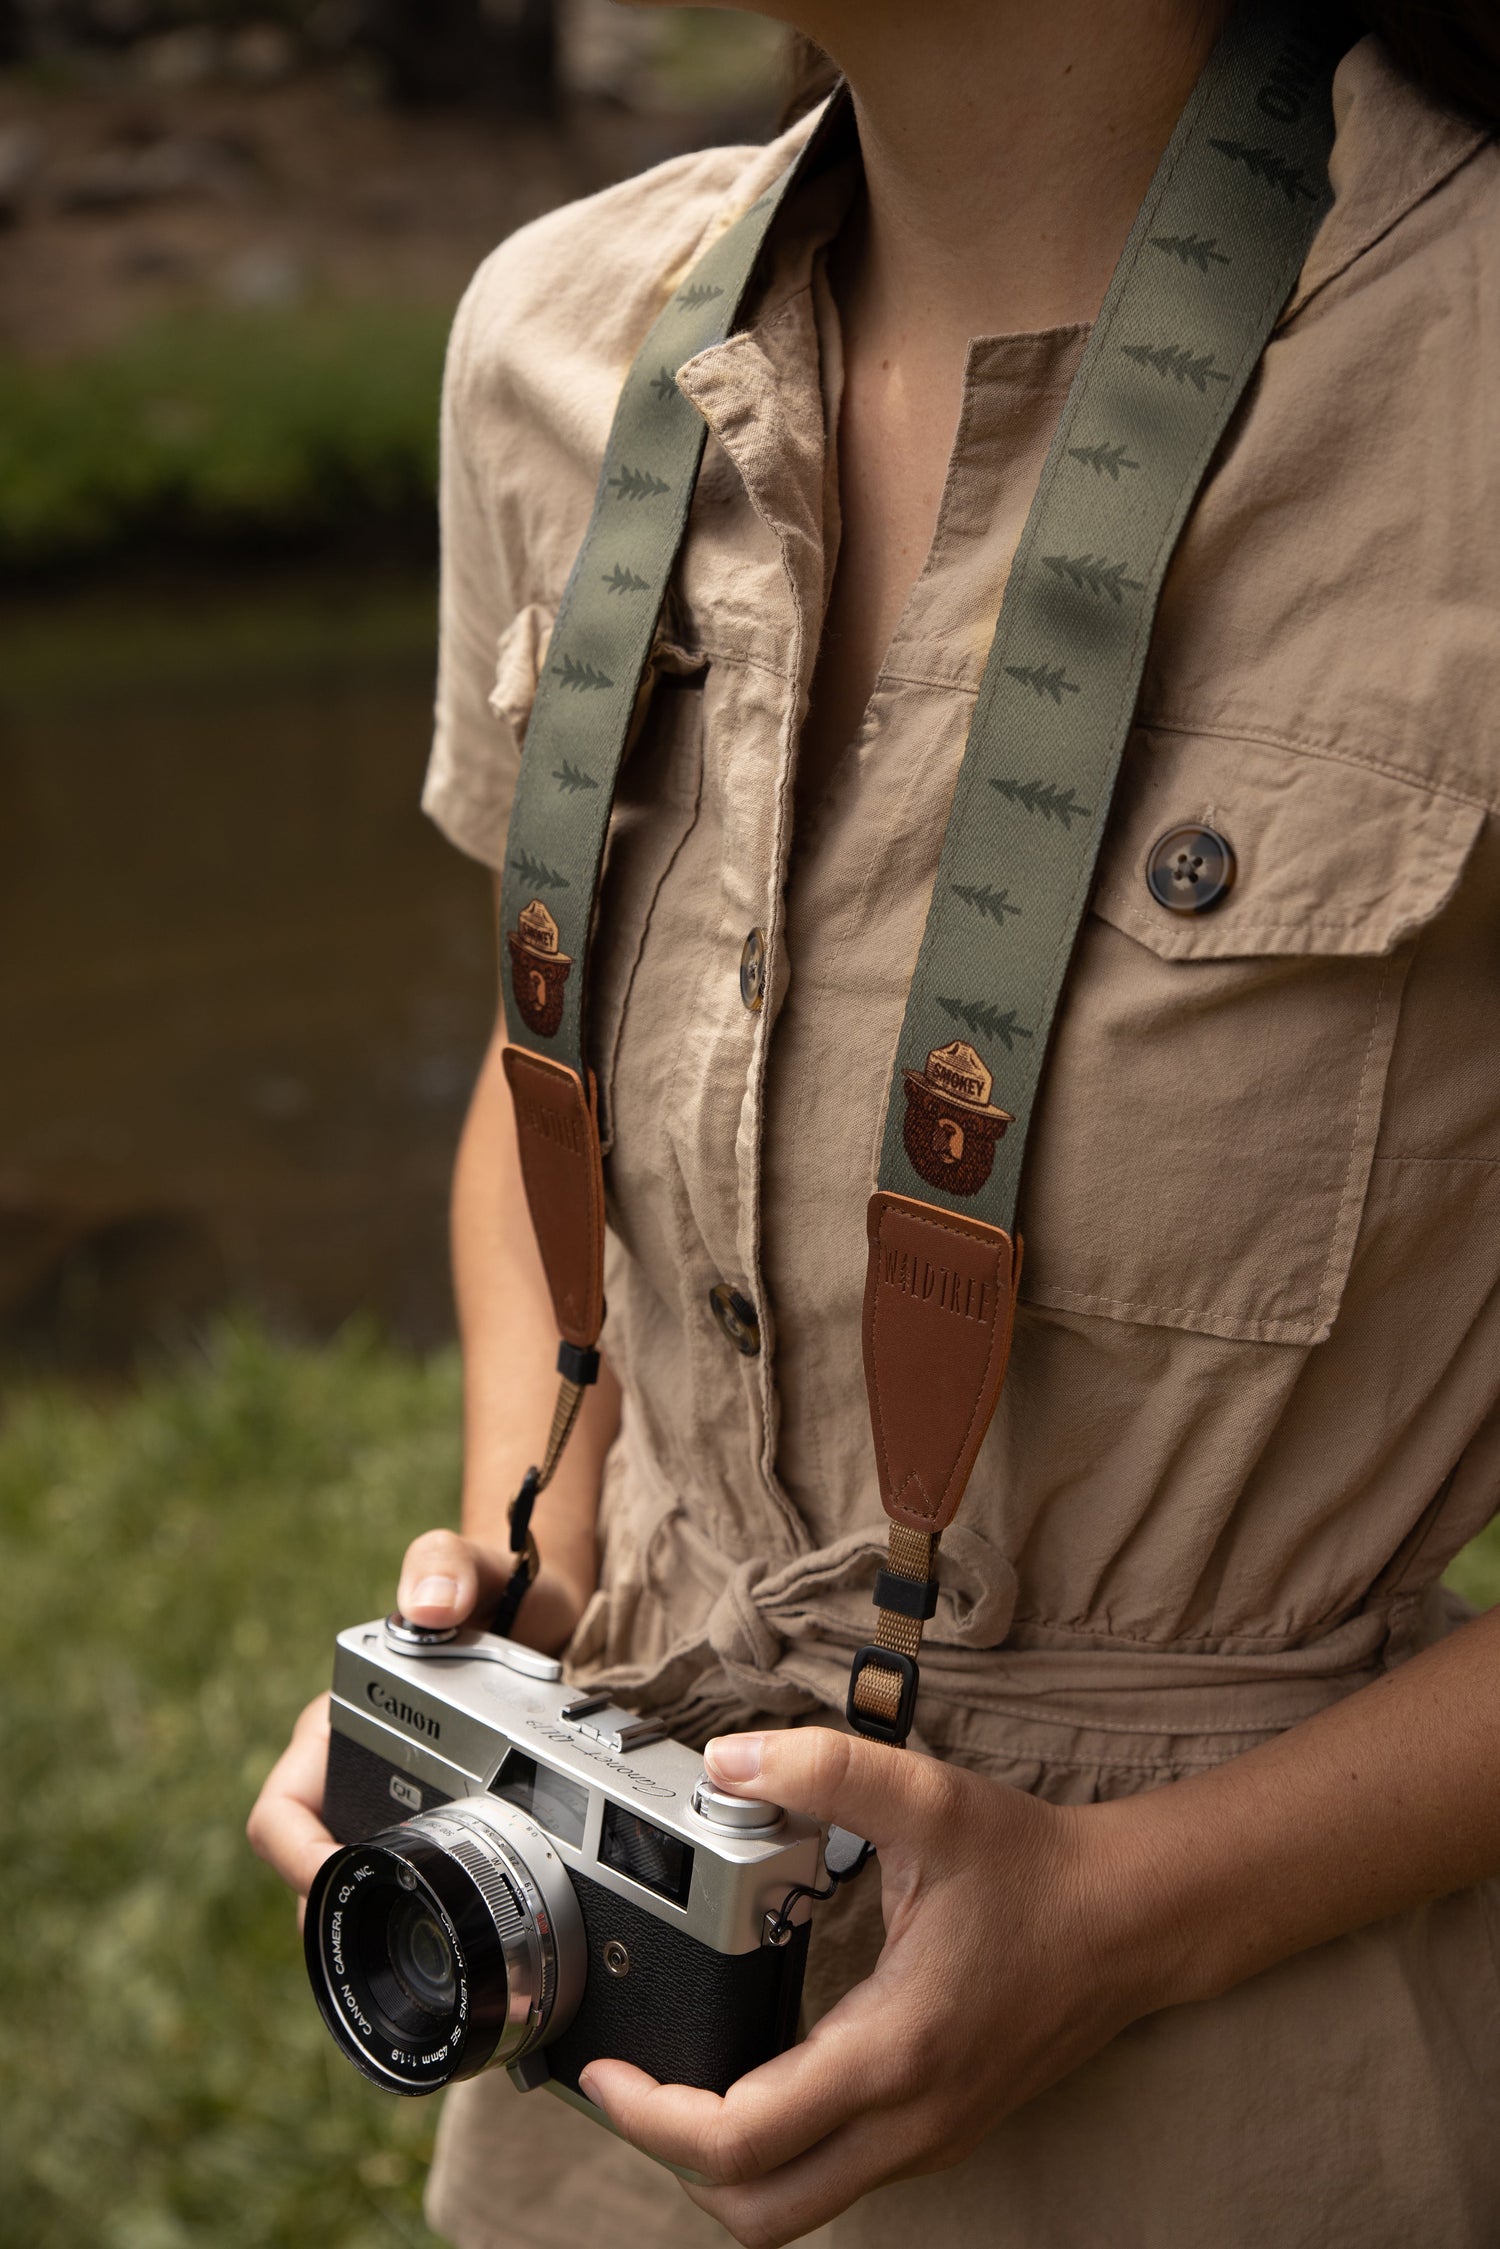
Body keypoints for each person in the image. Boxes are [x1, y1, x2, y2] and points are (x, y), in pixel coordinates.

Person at [248, 2, 1500, 2243]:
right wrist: (510, 1606)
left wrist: (1135, 1911)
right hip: (604, 2113)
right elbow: (541, 1088)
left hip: (1245, 2115)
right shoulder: (557, 339)